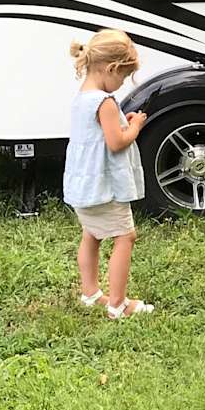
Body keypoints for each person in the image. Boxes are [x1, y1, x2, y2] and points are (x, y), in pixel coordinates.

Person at [65, 30, 152, 318]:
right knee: (125, 237)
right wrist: (136, 126)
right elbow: (116, 143)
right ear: (112, 68)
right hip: (105, 187)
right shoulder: (105, 102)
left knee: (91, 233)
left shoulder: (81, 98)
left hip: (83, 185)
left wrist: (121, 124)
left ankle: (90, 293)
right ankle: (118, 303)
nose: (122, 84)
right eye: (123, 77)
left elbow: (100, 138)